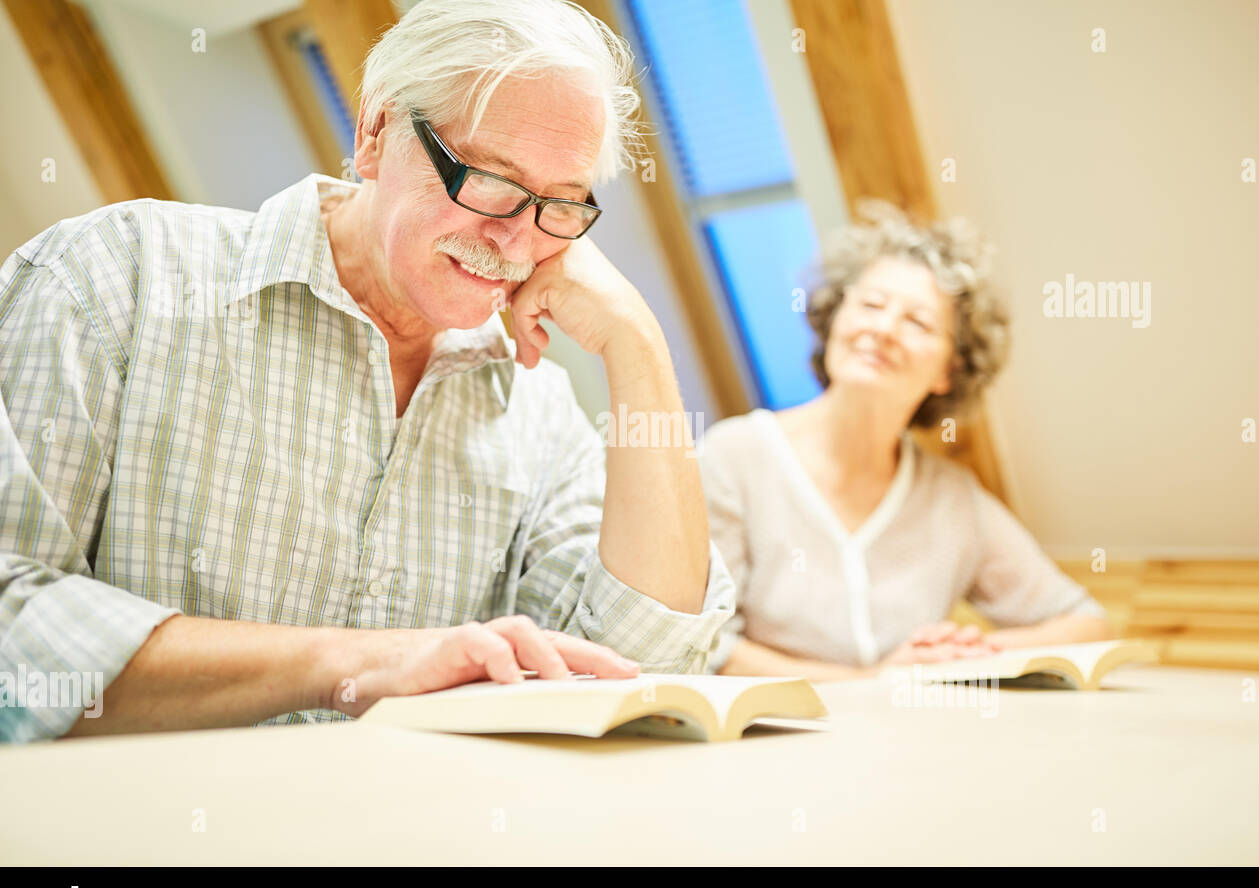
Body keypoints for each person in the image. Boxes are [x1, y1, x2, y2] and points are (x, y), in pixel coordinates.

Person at [0, 0, 734, 742]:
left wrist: (638, 344)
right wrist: (351, 664)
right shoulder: (114, 276)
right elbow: (12, 629)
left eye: (560, 204)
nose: (515, 241)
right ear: (376, 132)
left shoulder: (537, 405)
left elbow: (645, 668)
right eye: (489, 180)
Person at [697, 202, 1109, 679]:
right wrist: (874, 683)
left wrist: (964, 655)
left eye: (918, 323)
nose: (884, 329)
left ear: (948, 372)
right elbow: (707, 647)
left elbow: (1088, 626)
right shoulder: (733, 456)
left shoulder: (953, 498)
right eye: (870, 305)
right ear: (835, 320)